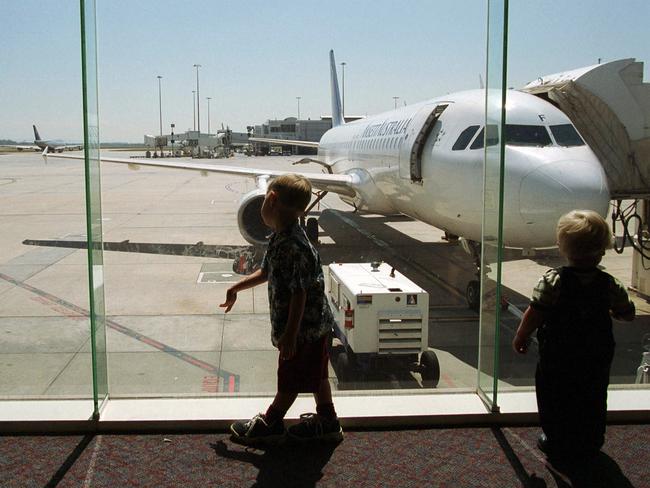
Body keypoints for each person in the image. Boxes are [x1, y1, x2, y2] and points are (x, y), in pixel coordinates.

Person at [221, 174, 343, 445]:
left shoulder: (292, 245)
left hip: (303, 331)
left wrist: (290, 335)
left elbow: (299, 294)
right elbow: (267, 271)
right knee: (318, 374)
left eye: (265, 198)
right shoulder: (283, 237)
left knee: (289, 380)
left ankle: (271, 422)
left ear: (272, 200)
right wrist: (236, 287)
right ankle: (328, 421)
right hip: (316, 326)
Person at [512, 210, 635, 463]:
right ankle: (591, 440)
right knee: (593, 394)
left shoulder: (552, 281)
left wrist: (521, 336)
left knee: (554, 395)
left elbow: (535, 313)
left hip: (559, 354)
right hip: (595, 354)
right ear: (602, 249)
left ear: (563, 248)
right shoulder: (611, 284)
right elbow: (627, 314)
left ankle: (556, 439)